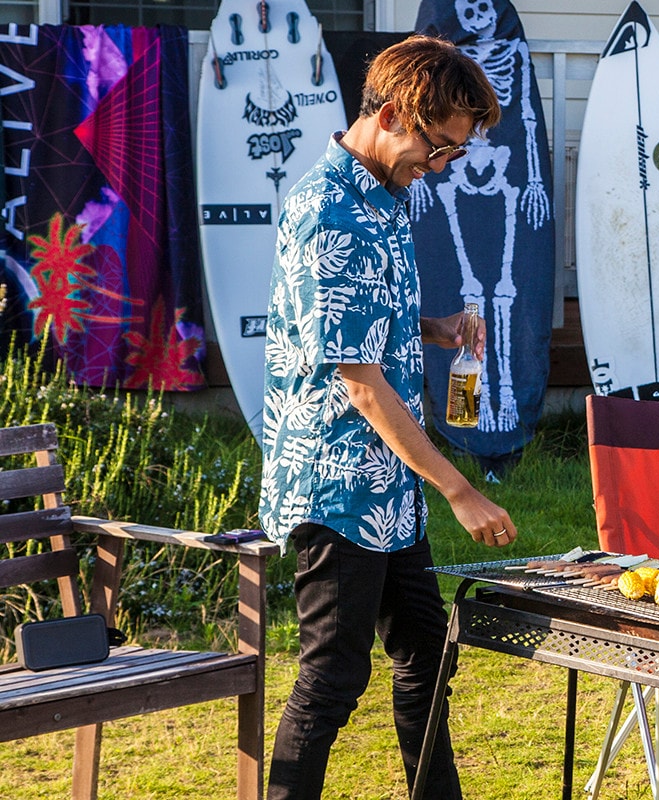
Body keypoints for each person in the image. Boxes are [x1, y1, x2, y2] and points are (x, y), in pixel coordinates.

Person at [257, 36, 510, 800]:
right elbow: (360, 383)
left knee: (427, 657)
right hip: (338, 484)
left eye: (454, 157)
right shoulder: (333, 214)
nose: (438, 168)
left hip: (386, 483)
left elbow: (360, 330)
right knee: (333, 676)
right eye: (438, 149)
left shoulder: (384, 195)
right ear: (395, 114)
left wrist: (432, 328)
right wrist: (460, 490)